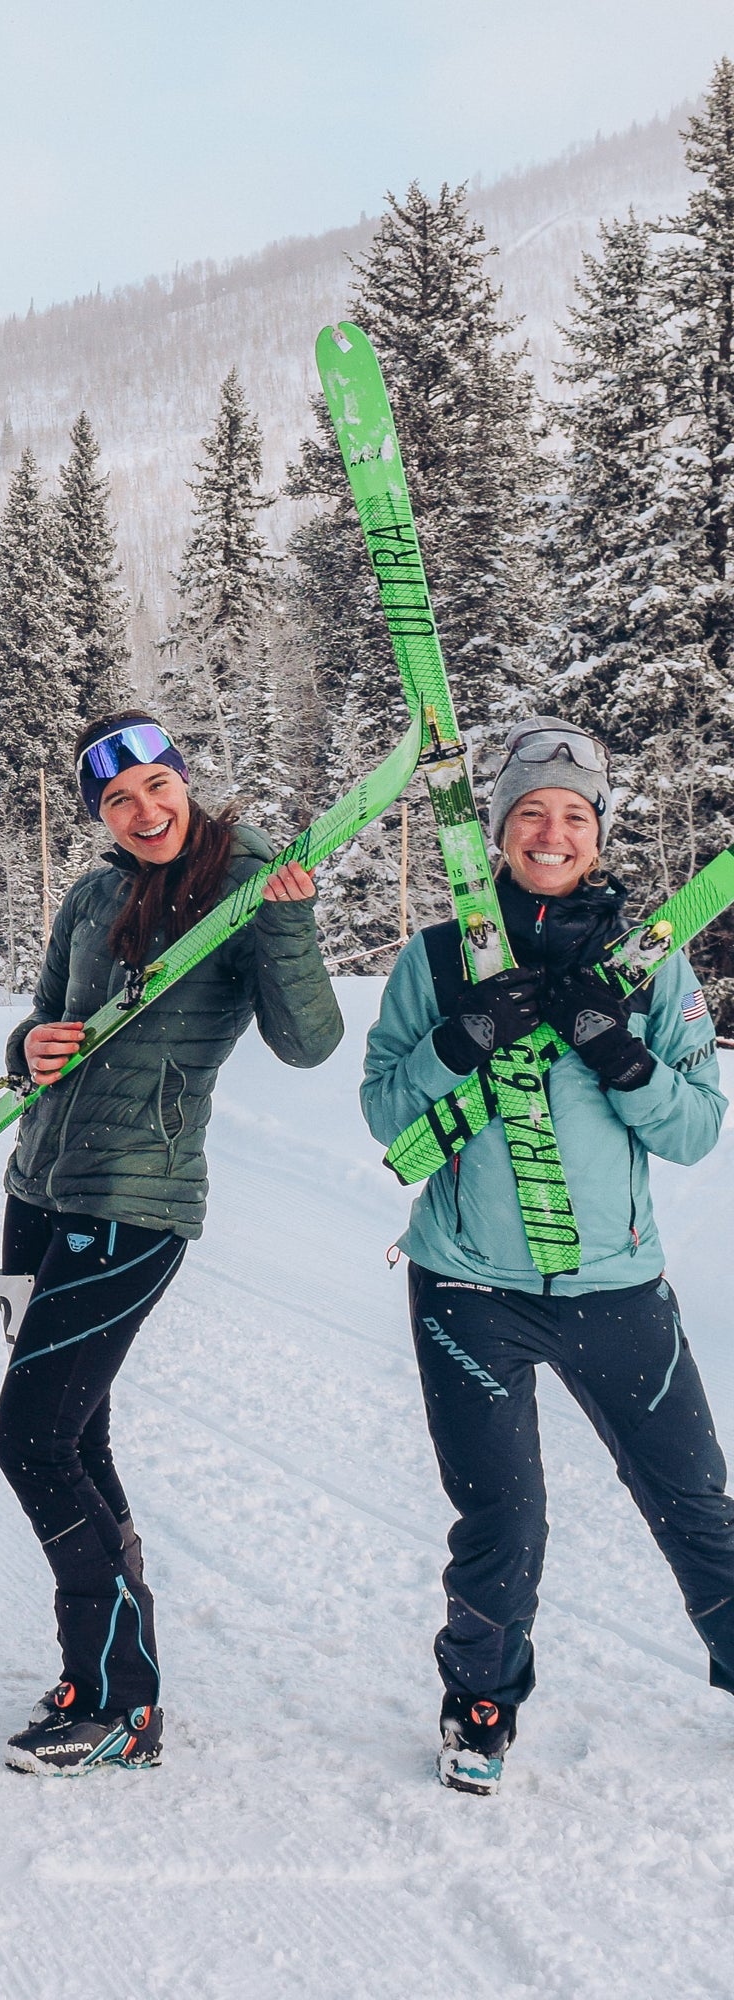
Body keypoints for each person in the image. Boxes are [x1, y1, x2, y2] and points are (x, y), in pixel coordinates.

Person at [362, 716, 734, 1795]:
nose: (552, 830)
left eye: (574, 814)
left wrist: (618, 1052)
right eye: (530, 810)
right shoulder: (436, 959)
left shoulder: (647, 964)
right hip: (466, 1285)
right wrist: (456, 1039)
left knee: (694, 1503)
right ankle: (479, 1703)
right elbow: (387, 1117)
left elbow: (695, 1129)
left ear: (598, 833)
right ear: (496, 829)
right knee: (500, 1512)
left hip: (616, 1286)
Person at [0, 711, 339, 1775]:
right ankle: (92, 1671)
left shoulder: (245, 882)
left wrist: (284, 921)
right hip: (34, 1194)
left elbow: (308, 1041)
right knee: (74, 1432)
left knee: (30, 1438)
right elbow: (41, 1027)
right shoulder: (93, 893)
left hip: (133, 1206)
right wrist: (25, 1046)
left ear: (185, 781)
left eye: (155, 787)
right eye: (116, 800)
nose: (143, 812)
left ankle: (124, 1701)